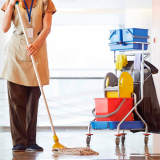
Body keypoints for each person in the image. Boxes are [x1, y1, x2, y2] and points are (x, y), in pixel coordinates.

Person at [1, 0, 56, 152]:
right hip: (17, 51)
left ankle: (31, 141)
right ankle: (19, 141)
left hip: (36, 51)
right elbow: (4, 28)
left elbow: (47, 28)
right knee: (17, 101)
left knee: (33, 101)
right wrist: (11, 5)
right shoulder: (12, 2)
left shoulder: (45, 2)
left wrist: (35, 45)